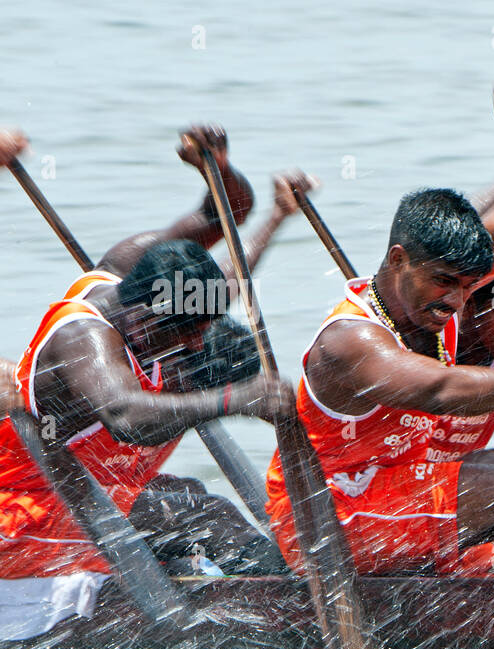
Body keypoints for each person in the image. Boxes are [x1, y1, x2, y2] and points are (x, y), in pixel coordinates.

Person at [265, 82, 494, 576]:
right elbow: (441, 390)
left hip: (388, 494)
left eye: (468, 287)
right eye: (444, 283)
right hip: (324, 523)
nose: (455, 301)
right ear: (398, 260)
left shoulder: (437, 293)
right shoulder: (350, 341)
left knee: (491, 462)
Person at [0, 125, 296, 584]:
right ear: (141, 317)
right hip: (21, 508)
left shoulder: (146, 274)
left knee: (188, 499)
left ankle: (272, 595)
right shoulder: (84, 338)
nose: (196, 345)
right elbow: (125, 415)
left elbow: (227, 220)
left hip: (86, 496)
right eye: (185, 335)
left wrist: (218, 171)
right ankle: (281, 618)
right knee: (201, 515)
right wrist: (234, 399)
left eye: (200, 330)